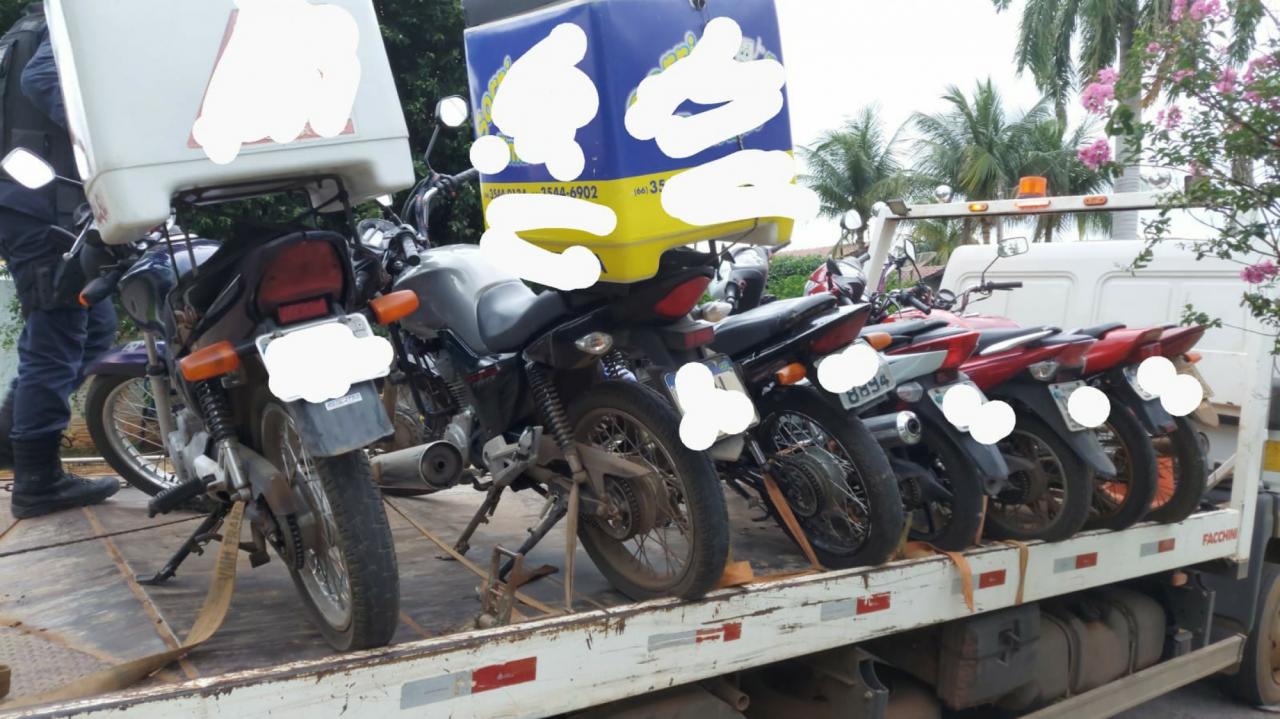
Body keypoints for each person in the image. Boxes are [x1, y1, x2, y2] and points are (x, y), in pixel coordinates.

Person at [0, 4, 118, 517]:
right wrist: (113, 139)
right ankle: (37, 480)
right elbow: (43, 79)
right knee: (58, 333)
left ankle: (11, 437)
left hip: (31, 202)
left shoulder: (25, 28)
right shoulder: (66, 20)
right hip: (42, 205)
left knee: (96, 328)